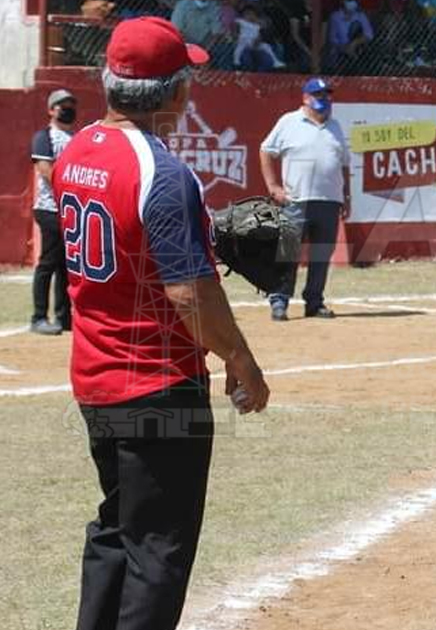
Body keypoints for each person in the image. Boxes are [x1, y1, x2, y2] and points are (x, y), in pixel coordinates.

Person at [53, 16, 269, 630]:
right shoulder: (164, 172)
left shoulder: (78, 149)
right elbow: (187, 290)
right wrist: (240, 356)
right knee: (158, 550)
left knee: (116, 530)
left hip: (95, 375)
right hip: (155, 379)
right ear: (175, 92)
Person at [260, 77, 350, 321]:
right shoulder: (289, 122)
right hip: (295, 200)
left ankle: (314, 301)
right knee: (288, 253)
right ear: (305, 98)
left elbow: (343, 165)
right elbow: (266, 151)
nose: (325, 99)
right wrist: (273, 186)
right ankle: (279, 301)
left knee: (321, 254)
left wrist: (346, 196)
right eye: (319, 95)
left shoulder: (336, 127)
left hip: (329, 201)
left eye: (327, 95)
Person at [29, 88, 78, 336]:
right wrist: (74, 183)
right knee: (48, 262)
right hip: (49, 208)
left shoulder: (78, 138)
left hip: (71, 210)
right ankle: (38, 316)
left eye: (71, 104)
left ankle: (63, 316)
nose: (68, 108)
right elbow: (46, 171)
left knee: (66, 266)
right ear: (51, 109)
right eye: (62, 105)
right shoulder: (44, 137)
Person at [234, 5, 287, 70]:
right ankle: (236, 62)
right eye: (246, 14)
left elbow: (264, 28)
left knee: (266, 47)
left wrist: (256, 21)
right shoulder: (241, 21)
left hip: (255, 41)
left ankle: (275, 61)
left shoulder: (257, 24)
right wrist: (237, 36)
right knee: (239, 49)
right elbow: (236, 28)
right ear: (242, 16)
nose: (249, 16)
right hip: (244, 40)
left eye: (251, 14)